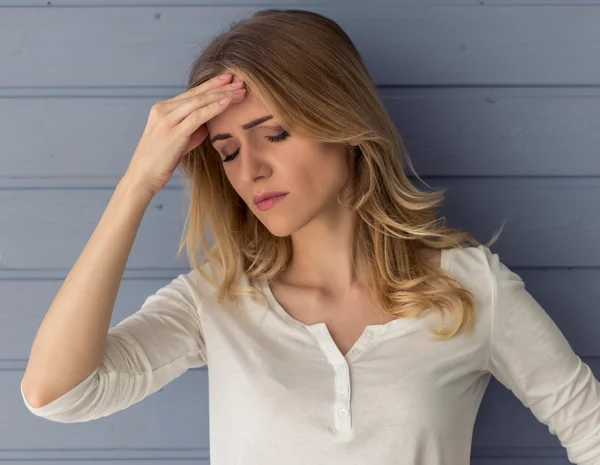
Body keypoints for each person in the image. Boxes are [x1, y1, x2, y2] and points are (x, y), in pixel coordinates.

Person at [19, 8, 600, 465]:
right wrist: (138, 182)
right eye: (226, 152)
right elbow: (56, 394)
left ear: (341, 121)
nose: (250, 171)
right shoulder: (215, 301)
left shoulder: (470, 289)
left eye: (272, 133)